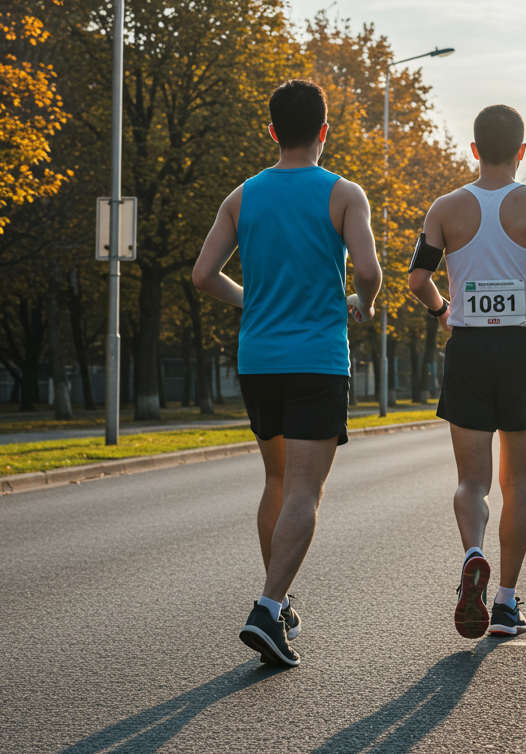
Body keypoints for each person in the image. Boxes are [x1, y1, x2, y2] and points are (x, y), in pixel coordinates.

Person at [192, 79, 381, 667]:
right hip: (318, 360)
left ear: (272, 131)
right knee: (306, 490)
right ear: (324, 131)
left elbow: (202, 277)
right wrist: (363, 305)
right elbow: (370, 271)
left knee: (276, 483)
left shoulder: (241, 196)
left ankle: (280, 603)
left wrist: (256, 301)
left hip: (260, 361)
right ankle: (268, 608)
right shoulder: (344, 194)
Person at [408, 104, 526, 639]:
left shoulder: (445, 209)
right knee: (518, 480)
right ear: (522, 151)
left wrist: (443, 312)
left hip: (470, 350)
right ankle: (505, 603)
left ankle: (473, 555)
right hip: (523, 349)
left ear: (474, 149)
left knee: (471, 481)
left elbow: (417, 280)